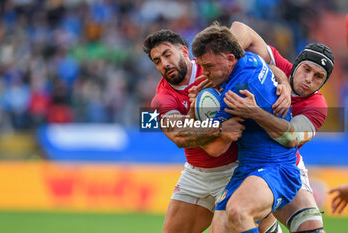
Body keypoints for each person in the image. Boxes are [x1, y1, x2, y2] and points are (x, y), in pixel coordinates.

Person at [143, 29, 289, 233]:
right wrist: (219, 127)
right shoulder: (162, 99)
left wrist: (285, 86)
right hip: (196, 174)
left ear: (184, 51)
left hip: (236, 168)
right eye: (157, 61)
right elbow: (178, 135)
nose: (164, 64)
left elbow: (266, 66)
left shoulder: (212, 64)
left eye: (167, 55)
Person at [221, 21, 334, 233]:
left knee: (310, 227)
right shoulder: (279, 66)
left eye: (318, 76)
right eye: (306, 69)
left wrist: (253, 111)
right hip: (242, 160)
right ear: (296, 64)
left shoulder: (317, 106)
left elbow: (290, 137)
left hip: (283, 164)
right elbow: (240, 29)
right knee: (237, 218)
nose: (308, 79)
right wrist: (224, 63)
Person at [190, 22, 301, 233]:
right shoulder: (251, 60)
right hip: (248, 170)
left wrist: (196, 111)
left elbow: (215, 149)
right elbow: (273, 68)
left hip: (276, 168)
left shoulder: (236, 93)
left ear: (230, 58)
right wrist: (284, 84)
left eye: (209, 66)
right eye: (202, 66)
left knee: (239, 211)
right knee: (219, 229)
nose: (204, 73)